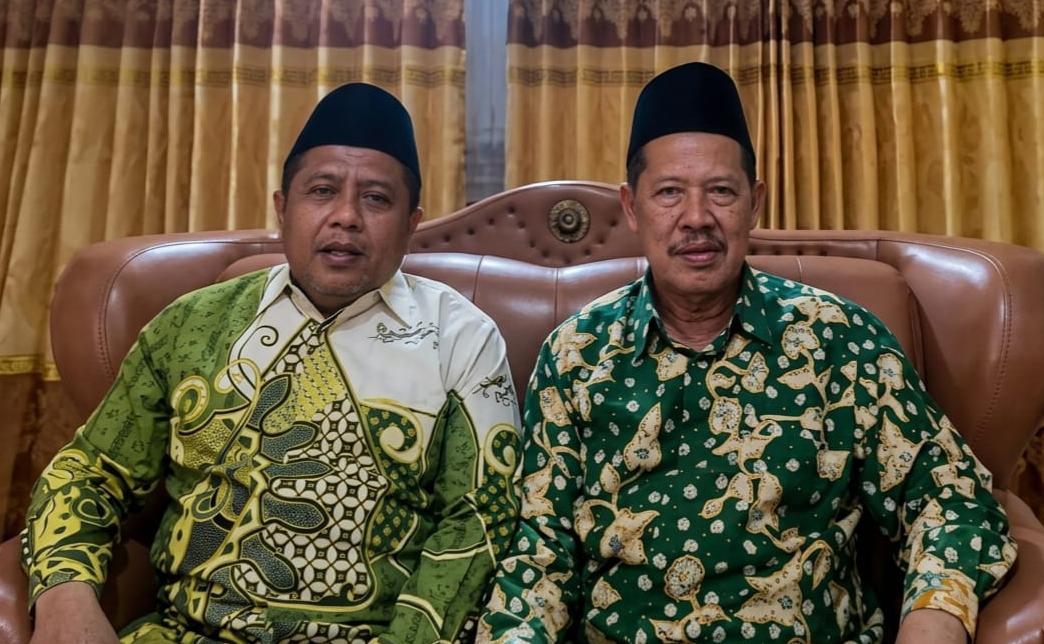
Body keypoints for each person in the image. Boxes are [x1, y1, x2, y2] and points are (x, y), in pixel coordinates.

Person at [478, 62, 1015, 643]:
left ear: (754, 202)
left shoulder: (838, 339)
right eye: (669, 193)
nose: (697, 219)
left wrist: (933, 620)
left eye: (721, 192)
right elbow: (540, 557)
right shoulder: (577, 356)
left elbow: (950, 499)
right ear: (632, 207)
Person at [22, 83, 521, 644]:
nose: (346, 217)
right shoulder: (192, 324)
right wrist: (64, 594)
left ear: (411, 223)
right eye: (322, 191)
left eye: (377, 199)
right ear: (283, 209)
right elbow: (91, 471)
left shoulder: (461, 338)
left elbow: (478, 520)